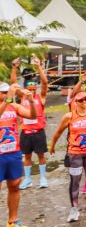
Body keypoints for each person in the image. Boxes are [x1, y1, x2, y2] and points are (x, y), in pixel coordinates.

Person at [49, 91, 86, 222]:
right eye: (81, 99)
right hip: (75, 154)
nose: (85, 101)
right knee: (75, 181)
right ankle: (74, 209)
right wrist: (52, 146)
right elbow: (58, 132)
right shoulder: (69, 116)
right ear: (76, 102)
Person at [0, 82, 36, 227]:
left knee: (15, 184)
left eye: (7, 92)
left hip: (13, 153)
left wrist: (32, 101)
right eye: (3, 92)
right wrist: (9, 98)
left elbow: (32, 116)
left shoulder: (14, 107)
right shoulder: (7, 103)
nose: (5, 94)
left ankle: (12, 221)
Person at [11, 57, 49, 190]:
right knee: (27, 157)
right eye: (30, 89)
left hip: (38, 132)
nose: (32, 91)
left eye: (34, 89)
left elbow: (44, 82)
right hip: (26, 132)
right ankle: (27, 179)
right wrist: (14, 68)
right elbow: (14, 84)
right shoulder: (22, 97)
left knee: (41, 156)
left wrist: (39, 66)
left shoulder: (40, 97)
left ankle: (43, 177)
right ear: (26, 88)